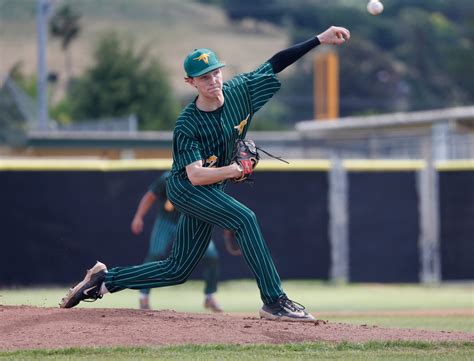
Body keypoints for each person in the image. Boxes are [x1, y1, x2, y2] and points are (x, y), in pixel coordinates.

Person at [59, 25, 350, 321]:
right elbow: (196, 176)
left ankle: (103, 281)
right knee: (245, 218)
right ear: (191, 82)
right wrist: (237, 169)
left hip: (212, 190)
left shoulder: (240, 92)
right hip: (187, 190)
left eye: (215, 72)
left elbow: (275, 64)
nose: (213, 80)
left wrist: (318, 40)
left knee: (177, 269)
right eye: (204, 77)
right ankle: (274, 301)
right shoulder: (187, 124)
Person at [131, 171, 222, 312]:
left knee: (211, 255)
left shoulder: (202, 178)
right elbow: (150, 196)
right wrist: (138, 216)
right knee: (155, 254)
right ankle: (144, 296)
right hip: (166, 222)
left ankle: (209, 297)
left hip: (191, 223)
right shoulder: (167, 178)